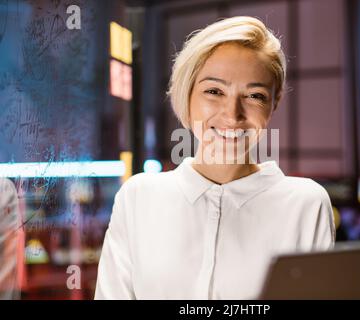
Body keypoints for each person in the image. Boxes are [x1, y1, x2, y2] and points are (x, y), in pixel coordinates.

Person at [95, 16, 335, 300]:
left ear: (274, 102)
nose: (232, 115)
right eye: (214, 91)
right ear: (188, 93)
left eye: (254, 95)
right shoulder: (138, 197)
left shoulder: (305, 204)